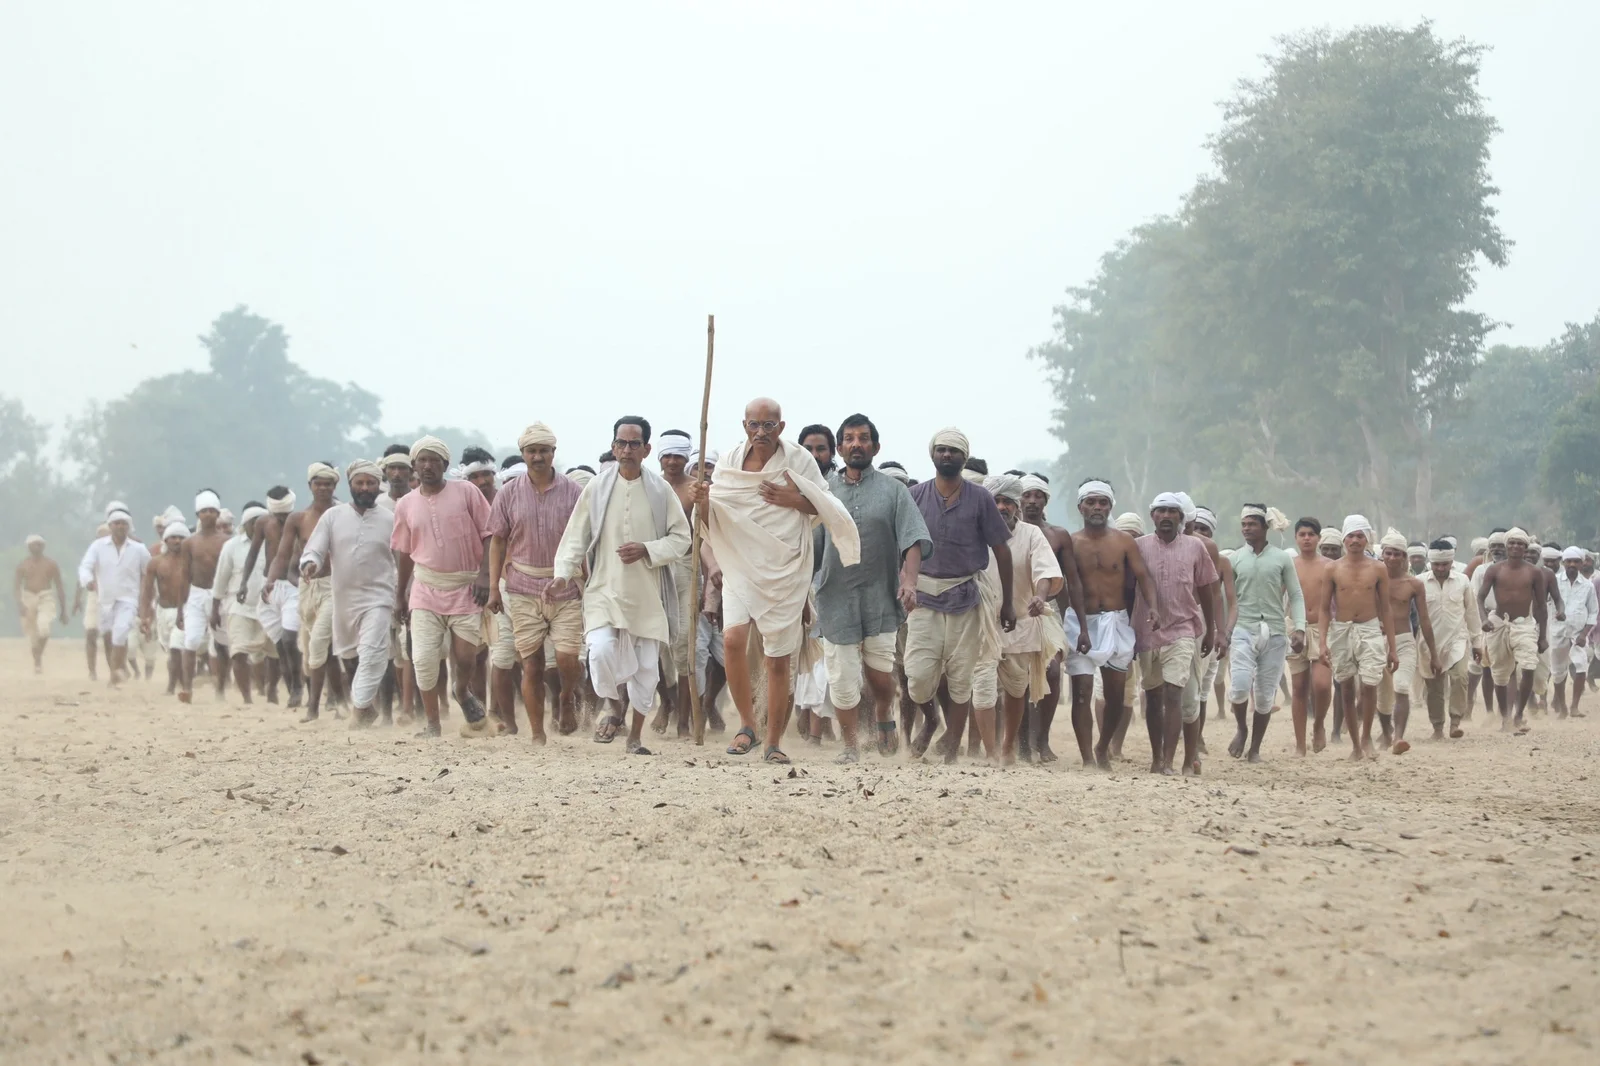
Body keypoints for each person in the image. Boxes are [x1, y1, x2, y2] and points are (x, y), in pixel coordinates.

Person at [696, 399, 860, 763]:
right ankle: (747, 725)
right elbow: (715, 517)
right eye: (754, 425)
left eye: (769, 426)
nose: (761, 432)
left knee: (777, 658)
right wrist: (701, 501)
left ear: (781, 427)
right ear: (744, 426)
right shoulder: (728, 463)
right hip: (740, 563)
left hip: (786, 565)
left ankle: (773, 743)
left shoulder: (798, 459)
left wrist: (791, 498)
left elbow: (824, 504)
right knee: (732, 638)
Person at [552, 416, 691, 754]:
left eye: (634, 444)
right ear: (613, 446)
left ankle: (635, 738)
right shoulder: (597, 488)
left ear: (647, 449)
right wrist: (562, 573)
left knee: (647, 672)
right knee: (599, 653)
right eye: (621, 443)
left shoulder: (661, 492)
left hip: (647, 593)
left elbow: (682, 538)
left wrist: (648, 549)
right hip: (605, 588)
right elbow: (576, 535)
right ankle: (615, 709)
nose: (626, 450)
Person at [812, 414, 930, 763]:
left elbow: (913, 539)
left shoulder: (894, 492)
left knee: (881, 678)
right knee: (843, 679)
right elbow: (810, 548)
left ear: (876, 447)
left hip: (881, 597)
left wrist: (909, 581)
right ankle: (850, 746)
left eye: (863, 438)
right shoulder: (824, 493)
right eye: (849, 439)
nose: (856, 444)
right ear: (839, 448)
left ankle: (883, 714)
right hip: (836, 598)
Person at [902, 428, 1014, 762]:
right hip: (923, 595)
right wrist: (906, 583)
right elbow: (907, 545)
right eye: (942, 450)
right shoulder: (917, 496)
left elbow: (1001, 550)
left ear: (964, 458)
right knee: (918, 677)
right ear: (932, 454)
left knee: (961, 675)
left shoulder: (980, 498)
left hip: (966, 595)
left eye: (954, 451)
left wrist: (1008, 602)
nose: (947, 455)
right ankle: (932, 719)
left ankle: (952, 741)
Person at [486, 422, 585, 744]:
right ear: (523, 454)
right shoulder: (508, 493)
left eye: (544, 450)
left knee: (569, 658)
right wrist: (492, 589)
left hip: (565, 586)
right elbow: (497, 541)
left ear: (553, 453)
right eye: (532, 451)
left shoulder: (574, 492)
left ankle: (567, 698)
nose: (538, 457)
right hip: (520, 586)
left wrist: (587, 581)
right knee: (531, 664)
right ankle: (538, 733)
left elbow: (586, 539)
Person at [392, 436, 495, 738]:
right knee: (423, 658)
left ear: (446, 465)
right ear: (414, 466)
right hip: (426, 588)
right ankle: (433, 725)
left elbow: (489, 534)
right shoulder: (405, 504)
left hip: (466, 586)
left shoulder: (467, 492)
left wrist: (484, 576)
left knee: (466, 659)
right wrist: (400, 595)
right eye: (421, 460)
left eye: (434, 460)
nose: (427, 466)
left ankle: (461, 692)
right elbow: (404, 552)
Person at [299, 460, 398, 727]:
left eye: (371, 483)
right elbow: (316, 548)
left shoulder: (391, 518)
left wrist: (404, 595)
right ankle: (367, 708)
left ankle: (359, 709)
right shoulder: (333, 516)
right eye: (360, 483)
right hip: (343, 598)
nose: (365, 488)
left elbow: (402, 557)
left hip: (380, 597)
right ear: (351, 484)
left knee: (372, 651)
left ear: (379, 486)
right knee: (350, 656)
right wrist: (310, 563)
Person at [1069, 484, 1159, 768]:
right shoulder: (1070, 543)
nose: (1098, 507)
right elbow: (1065, 584)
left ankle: (1102, 746)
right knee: (1082, 692)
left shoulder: (1124, 542)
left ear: (1110, 507)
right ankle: (1086, 758)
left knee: (1116, 695)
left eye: (1103, 502)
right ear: (1081, 507)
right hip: (1080, 621)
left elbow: (1143, 577)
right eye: (1092, 502)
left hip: (1116, 621)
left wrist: (1153, 608)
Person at [1134, 493, 1217, 775]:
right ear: (1152, 516)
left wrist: (1211, 631)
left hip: (1183, 629)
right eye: (1161, 511)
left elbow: (1207, 589)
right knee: (1153, 696)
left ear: (1181, 518)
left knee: (1174, 693)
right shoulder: (1138, 547)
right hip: (1147, 632)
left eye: (1172, 511)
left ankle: (1169, 762)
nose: (1166, 516)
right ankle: (1157, 759)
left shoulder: (1195, 547)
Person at [986, 475, 1065, 764]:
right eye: (996, 501)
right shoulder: (974, 532)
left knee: (1016, 689)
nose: (1001, 507)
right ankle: (988, 749)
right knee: (983, 690)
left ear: (1016, 506)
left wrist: (1040, 597)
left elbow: (1045, 571)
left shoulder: (1031, 534)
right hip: (981, 623)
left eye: (1007, 501)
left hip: (1021, 620)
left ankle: (1008, 747)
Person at [1225, 505, 1306, 763]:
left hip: (1274, 632)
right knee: (1238, 688)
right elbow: (1228, 598)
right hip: (1243, 629)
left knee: (1264, 696)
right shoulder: (1235, 558)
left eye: (1252, 524)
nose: (1246, 528)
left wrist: (1300, 629)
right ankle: (1241, 728)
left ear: (1264, 527)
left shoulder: (1282, 558)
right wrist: (1224, 629)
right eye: (1244, 524)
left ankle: (1255, 749)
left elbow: (1295, 594)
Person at [1017, 473, 1089, 762]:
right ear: (1018, 499)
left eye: (1038, 495)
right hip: (1017, 608)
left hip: (1050, 612)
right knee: (1019, 677)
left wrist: (1081, 626)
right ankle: (1021, 741)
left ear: (1046, 500)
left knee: (1052, 672)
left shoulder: (1058, 536)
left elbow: (1070, 582)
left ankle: (1042, 739)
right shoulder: (1008, 531)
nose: (1032, 501)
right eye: (1027, 495)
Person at [265, 464, 342, 721]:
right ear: (310, 486)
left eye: (328, 484)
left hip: (337, 585)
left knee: (321, 641)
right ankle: (336, 699)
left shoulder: (343, 514)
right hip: (307, 589)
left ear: (335, 486)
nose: (323, 488)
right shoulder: (297, 519)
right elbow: (283, 555)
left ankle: (314, 707)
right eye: (318, 483)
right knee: (314, 648)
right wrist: (270, 581)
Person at [1320, 516, 1398, 760]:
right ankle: (1354, 744)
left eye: (1360, 536)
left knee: (1369, 684)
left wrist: (1392, 648)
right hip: (1341, 630)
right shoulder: (1332, 568)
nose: (1355, 540)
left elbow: (1386, 608)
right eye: (1351, 536)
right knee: (1344, 686)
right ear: (1344, 539)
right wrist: (1322, 642)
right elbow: (1324, 608)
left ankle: (1366, 738)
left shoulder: (1378, 568)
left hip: (1370, 629)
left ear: (1367, 540)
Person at [1476, 527, 1548, 732]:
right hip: (1498, 623)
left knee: (1528, 666)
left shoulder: (1534, 572)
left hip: (1524, 623)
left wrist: (1542, 636)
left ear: (1525, 548)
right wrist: (1483, 620)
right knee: (1499, 672)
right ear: (1507, 546)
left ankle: (1518, 715)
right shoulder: (1495, 570)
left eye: (1520, 543)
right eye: (1512, 543)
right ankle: (1505, 717)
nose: (1515, 546)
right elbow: (1480, 598)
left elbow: (1542, 606)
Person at [1377, 529, 1439, 754]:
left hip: (1404, 641)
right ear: (1382, 554)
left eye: (1397, 554)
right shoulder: (1372, 580)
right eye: (1389, 553)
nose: (1393, 558)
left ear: (1404, 557)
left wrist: (1434, 654)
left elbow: (1424, 620)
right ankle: (1386, 732)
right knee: (1382, 695)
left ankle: (1398, 738)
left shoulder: (1414, 584)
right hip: (1376, 640)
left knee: (1402, 686)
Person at [652, 428, 697, 735]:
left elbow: (702, 531)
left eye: (678, 456)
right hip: (653, 564)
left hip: (686, 566)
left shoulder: (697, 488)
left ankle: (684, 719)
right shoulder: (648, 487)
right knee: (654, 640)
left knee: (683, 642)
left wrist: (701, 502)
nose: (672, 461)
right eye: (667, 455)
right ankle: (665, 703)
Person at [240, 486, 303, 707]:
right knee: (280, 646)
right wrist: (243, 583)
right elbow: (253, 553)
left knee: (290, 641)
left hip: (294, 586)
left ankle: (299, 687)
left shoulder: (300, 520)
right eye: (279, 515)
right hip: (271, 587)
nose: (283, 519)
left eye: (286, 514)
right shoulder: (263, 524)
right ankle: (292, 690)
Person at [77, 508, 152, 686]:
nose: (120, 526)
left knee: (120, 633)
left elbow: (149, 573)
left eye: (124, 523)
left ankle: (114, 676)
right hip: (104, 599)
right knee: (108, 635)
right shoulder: (98, 546)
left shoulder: (139, 549)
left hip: (129, 599)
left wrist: (147, 602)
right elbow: (85, 566)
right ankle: (117, 669)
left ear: (129, 527)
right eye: (116, 523)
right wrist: (87, 581)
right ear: (110, 526)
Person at [212, 504, 277, 703]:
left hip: (271, 607)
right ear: (245, 525)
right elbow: (221, 578)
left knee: (275, 654)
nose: (258, 527)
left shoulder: (276, 544)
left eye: (262, 522)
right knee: (238, 652)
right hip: (239, 606)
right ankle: (247, 698)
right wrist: (215, 608)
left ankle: (272, 692)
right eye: (254, 523)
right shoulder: (231, 547)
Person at [1418, 539, 1482, 740]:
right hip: (1430, 644)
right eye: (1436, 564)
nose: (1440, 568)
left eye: (1444, 564)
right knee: (1434, 686)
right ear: (1431, 563)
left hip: (1458, 640)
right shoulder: (1419, 582)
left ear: (1451, 563)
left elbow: (1471, 613)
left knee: (1460, 677)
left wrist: (1477, 642)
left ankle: (1455, 722)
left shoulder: (1463, 581)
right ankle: (1438, 727)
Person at [1285, 518, 1335, 754]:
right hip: (1295, 628)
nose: (1306, 538)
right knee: (1299, 687)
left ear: (1318, 538)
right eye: (1302, 534)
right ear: (1296, 538)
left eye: (1311, 534)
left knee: (1322, 685)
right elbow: (1278, 596)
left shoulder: (1330, 566)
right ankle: (1299, 745)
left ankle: (1319, 725)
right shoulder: (1289, 564)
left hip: (1323, 628)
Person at [177, 492, 228, 702]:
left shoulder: (226, 542)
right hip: (196, 594)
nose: (208, 515)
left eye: (212, 511)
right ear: (198, 514)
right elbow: (185, 574)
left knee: (221, 643)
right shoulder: (189, 543)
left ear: (218, 514)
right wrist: (181, 608)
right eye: (204, 511)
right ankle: (187, 688)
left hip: (220, 595)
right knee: (191, 641)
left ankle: (220, 689)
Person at [139, 522, 190, 693]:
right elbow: (147, 591)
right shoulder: (155, 563)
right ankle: (182, 684)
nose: (177, 541)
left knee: (177, 648)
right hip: (163, 612)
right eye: (173, 538)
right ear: (166, 540)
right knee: (171, 651)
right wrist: (145, 616)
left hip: (184, 612)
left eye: (181, 537)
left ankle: (173, 687)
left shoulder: (191, 562)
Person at [1550, 545, 1596, 718]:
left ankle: (1574, 706)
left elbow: (1593, 611)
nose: (1572, 564)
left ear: (1582, 563)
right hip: (1557, 631)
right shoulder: (1553, 581)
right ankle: (1562, 705)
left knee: (1581, 666)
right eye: (1568, 561)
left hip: (1578, 634)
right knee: (1558, 671)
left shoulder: (1588, 586)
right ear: (1563, 562)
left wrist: (1585, 634)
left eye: (1576, 561)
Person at [15, 535, 66, 673]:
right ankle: (37, 662)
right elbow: (17, 586)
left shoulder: (51, 564)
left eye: (39, 544)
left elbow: (59, 586)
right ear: (29, 547)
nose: (36, 547)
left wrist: (63, 609)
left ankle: (38, 656)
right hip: (28, 596)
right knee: (32, 634)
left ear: (43, 546)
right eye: (33, 544)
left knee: (44, 629)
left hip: (46, 596)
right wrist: (20, 603)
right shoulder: (23, 565)